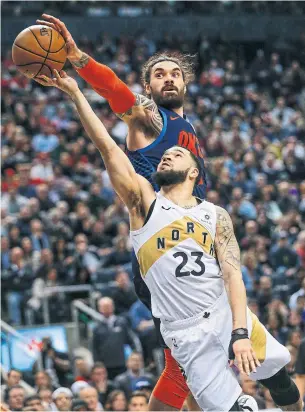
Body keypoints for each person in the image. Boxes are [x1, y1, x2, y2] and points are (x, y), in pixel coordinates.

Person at [37, 69, 301, 411]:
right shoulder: (143, 202)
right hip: (184, 332)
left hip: (223, 312)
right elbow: (106, 146)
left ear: (194, 171)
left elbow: (233, 276)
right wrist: (75, 94)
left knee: (279, 376)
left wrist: (239, 333)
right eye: (165, 154)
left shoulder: (216, 215)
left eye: (177, 154)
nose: (167, 155)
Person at [35, 13, 206, 411]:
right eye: (159, 74)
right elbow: (115, 91)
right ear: (148, 87)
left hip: (191, 243)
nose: (168, 78)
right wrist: (78, 57)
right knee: (189, 360)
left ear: (185, 83)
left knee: (192, 361)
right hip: (164, 249)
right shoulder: (151, 117)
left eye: (175, 74)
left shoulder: (187, 127)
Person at [92, 297, 142, 379]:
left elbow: (131, 340)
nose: (106, 309)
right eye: (103, 306)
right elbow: (95, 348)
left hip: (122, 363)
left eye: (108, 306)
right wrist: (98, 364)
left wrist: (135, 354)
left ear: (113, 307)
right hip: (106, 365)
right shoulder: (97, 328)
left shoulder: (122, 322)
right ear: (99, 309)